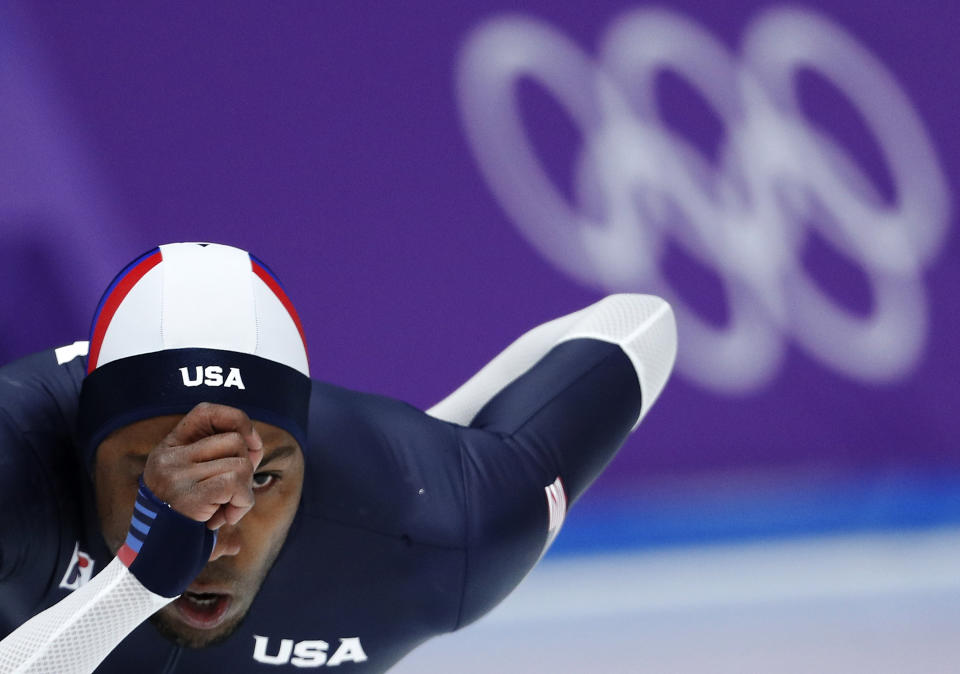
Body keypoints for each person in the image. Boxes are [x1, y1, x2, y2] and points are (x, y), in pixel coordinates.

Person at [0, 242, 677, 673]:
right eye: (159, 476)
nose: (212, 530)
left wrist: (442, 447)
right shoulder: (14, 468)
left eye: (259, 477)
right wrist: (139, 579)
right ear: (84, 456)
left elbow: (639, 325)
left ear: (307, 458)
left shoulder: (436, 526)